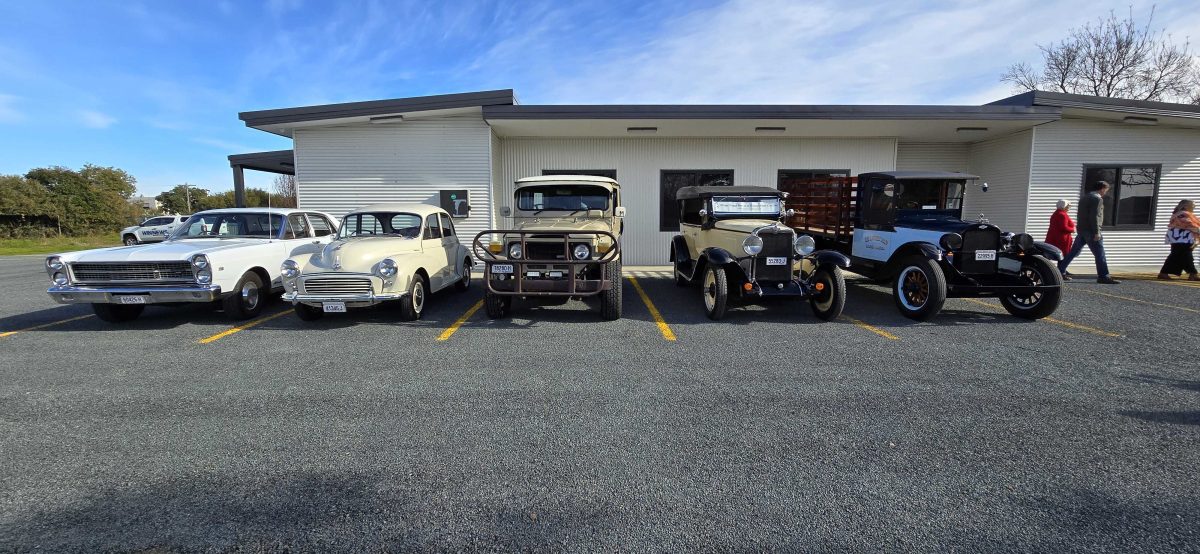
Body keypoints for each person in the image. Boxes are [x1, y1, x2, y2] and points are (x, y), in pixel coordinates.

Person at [1058, 181, 1120, 284]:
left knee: (1073, 252)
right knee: (1100, 254)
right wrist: (1097, 232)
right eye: (1106, 190)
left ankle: (1060, 271)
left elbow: (1081, 215)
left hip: (1082, 230)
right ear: (1102, 188)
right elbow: (1095, 216)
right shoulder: (1097, 199)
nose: (1105, 192)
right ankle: (1103, 276)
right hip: (1091, 231)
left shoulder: (1084, 198)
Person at [1158, 199, 1200, 280]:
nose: (1194, 206)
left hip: (1182, 238)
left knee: (1177, 256)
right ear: (1185, 206)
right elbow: (1189, 224)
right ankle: (1193, 274)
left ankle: (1164, 273)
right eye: (1192, 205)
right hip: (1181, 238)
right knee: (1185, 256)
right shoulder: (1182, 214)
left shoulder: (1183, 214)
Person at [1045, 199, 1076, 279]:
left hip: (1056, 237)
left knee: (1060, 255)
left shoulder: (1056, 213)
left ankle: (1062, 269)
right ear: (1064, 206)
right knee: (1063, 255)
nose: (1069, 207)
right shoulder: (1062, 214)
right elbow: (1064, 227)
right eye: (1068, 206)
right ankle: (1061, 272)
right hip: (1062, 239)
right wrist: (1072, 229)